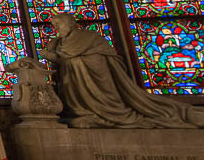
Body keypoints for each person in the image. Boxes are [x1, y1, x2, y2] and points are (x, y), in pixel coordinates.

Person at [39, 12, 204, 128]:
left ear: (70, 23)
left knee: (77, 64)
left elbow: (104, 60)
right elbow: (61, 59)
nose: (56, 29)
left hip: (97, 82)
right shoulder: (57, 42)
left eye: (58, 25)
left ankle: (106, 113)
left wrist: (67, 59)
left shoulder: (89, 38)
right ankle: (84, 112)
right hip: (72, 85)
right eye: (54, 26)